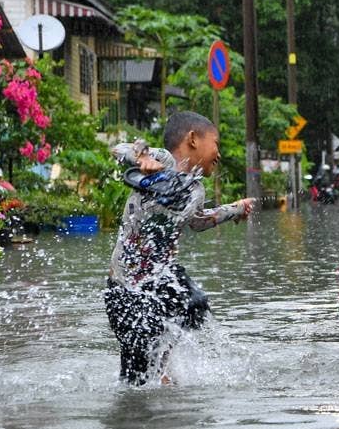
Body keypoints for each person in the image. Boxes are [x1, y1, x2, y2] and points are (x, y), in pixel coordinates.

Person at [104, 111, 255, 385]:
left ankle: (163, 372)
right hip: (126, 288)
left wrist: (235, 209)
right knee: (136, 380)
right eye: (216, 143)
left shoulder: (196, 189)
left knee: (192, 302)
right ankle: (145, 390)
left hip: (160, 279)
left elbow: (196, 222)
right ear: (193, 139)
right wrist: (141, 158)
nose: (218, 153)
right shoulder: (162, 160)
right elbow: (118, 149)